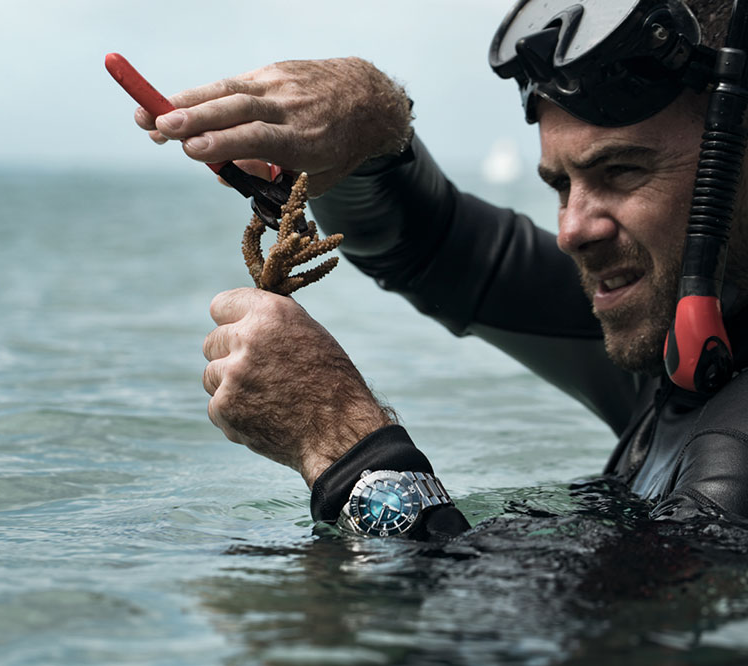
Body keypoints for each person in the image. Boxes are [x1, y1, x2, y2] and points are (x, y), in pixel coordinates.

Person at [135, 0, 748, 539]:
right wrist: (371, 123)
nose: (572, 231)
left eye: (622, 172)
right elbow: (429, 245)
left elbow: (515, 636)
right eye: (562, 185)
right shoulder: (684, 339)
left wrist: (341, 444)